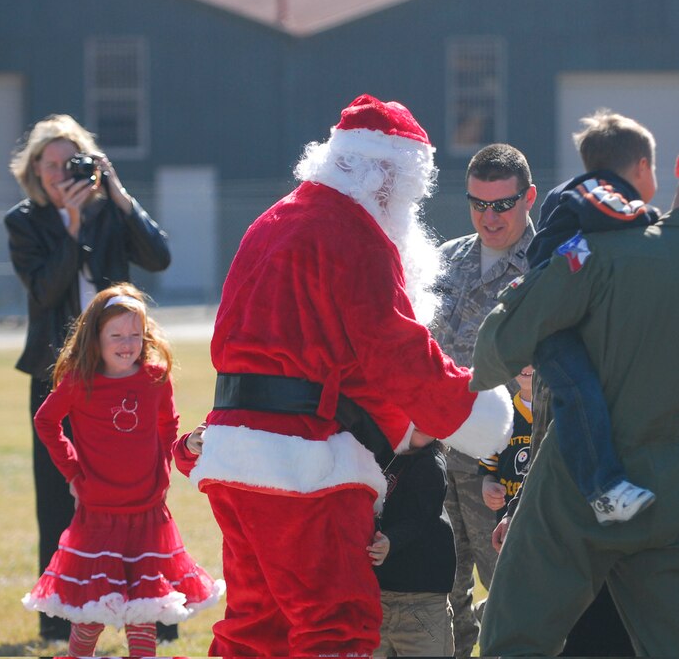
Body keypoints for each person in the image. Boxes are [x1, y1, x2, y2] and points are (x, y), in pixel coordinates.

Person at [186, 94, 513, 656]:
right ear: (389, 179)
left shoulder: (273, 220)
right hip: (305, 463)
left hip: (236, 454)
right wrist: (476, 408)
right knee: (335, 625)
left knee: (254, 628)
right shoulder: (352, 234)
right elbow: (395, 351)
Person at [473, 119, 679, 655]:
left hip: (575, 481)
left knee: (515, 638)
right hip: (678, 484)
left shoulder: (600, 251)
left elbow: (505, 338)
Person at [5, 114, 171, 642]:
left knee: (139, 494)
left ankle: (153, 618)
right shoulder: (25, 221)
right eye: (49, 164)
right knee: (58, 496)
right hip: (59, 375)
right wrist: (70, 227)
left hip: (122, 374)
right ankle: (59, 622)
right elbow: (45, 291)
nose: (59, 173)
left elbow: (158, 256)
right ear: (34, 169)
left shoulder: (109, 212)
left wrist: (118, 193)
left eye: (70, 162)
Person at [21, 284, 222, 657]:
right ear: (95, 338)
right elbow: (46, 421)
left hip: (147, 511)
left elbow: (168, 426)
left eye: (134, 334)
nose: (126, 343)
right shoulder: (79, 381)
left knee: (143, 606)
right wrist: (72, 471)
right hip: (98, 513)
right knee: (94, 608)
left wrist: (162, 471)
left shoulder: (155, 378)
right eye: (116, 335)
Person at [524, 110, 660, 524]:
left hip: (567, 318)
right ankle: (603, 491)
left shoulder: (578, 192)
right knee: (580, 393)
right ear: (640, 167)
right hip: (553, 324)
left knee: (587, 393)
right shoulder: (593, 191)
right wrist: (653, 222)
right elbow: (613, 213)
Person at [427, 142, 535, 659]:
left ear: (528, 198)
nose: (488, 217)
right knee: (441, 604)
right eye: (478, 203)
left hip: (512, 464)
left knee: (516, 601)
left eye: (502, 205)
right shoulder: (446, 258)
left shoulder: (549, 265)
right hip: (436, 460)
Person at [364, 441, 456, 657]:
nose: (417, 425)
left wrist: (391, 541)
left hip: (421, 602)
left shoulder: (430, 463)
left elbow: (421, 517)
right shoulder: (379, 451)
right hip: (377, 597)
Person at [479, 367, 534, 520]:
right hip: (509, 522)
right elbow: (489, 472)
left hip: (547, 523)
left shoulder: (560, 413)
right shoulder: (499, 415)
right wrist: (488, 487)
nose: (526, 365)